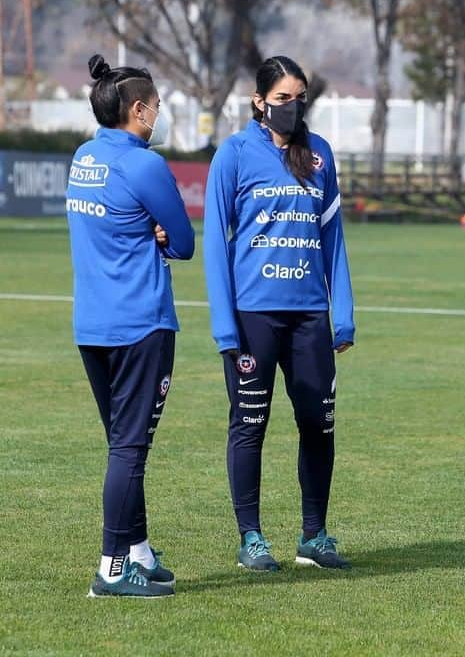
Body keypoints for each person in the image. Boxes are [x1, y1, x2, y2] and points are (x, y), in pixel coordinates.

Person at [204, 56, 355, 572]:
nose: (292, 107)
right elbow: (215, 248)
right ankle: (251, 538)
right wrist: (225, 326)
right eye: (283, 98)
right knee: (250, 425)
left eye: (300, 97)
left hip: (310, 316)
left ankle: (314, 535)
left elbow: (333, 239)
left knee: (319, 424)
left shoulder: (320, 156)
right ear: (259, 101)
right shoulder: (234, 155)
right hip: (253, 319)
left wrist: (344, 315)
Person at [68, 54, 195, 598]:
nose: (159, 115)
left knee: (122, 444)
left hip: (92, 324)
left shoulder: (82, 157)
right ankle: (111, 569)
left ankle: (138, 551)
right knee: (129, 449)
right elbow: (186, 242)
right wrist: (160, 235)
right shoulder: (145, 165)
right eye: (158, 107)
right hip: (140, 323)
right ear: (138, 110)